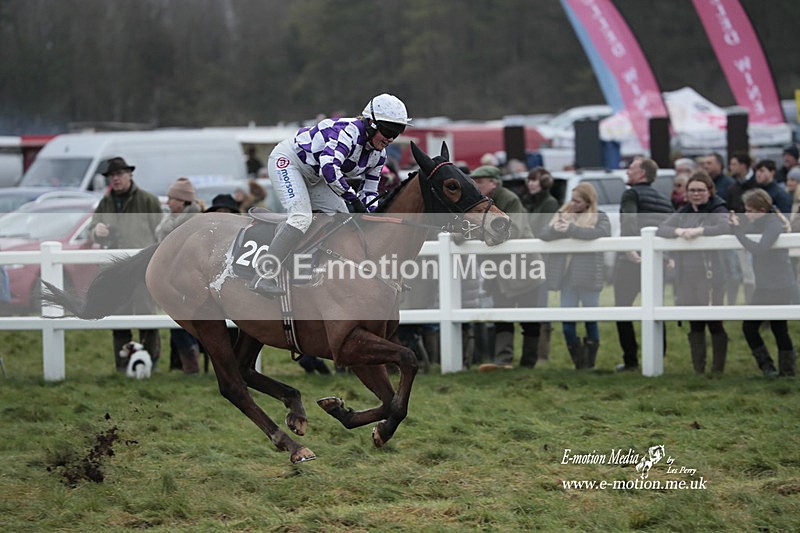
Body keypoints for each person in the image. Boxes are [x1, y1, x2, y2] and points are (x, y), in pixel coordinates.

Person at [247, 93, 411, 298]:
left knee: (342, 218)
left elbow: (369, 192)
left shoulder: (379, 155)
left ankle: (316, 267)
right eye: (387, 131)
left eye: (397, 132)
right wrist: (353, 199)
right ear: (371, 123)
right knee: (301, 218)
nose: (390, 138)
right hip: (289, 163)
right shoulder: (348, 133)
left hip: (315, 175)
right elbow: (330, 170)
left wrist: (373, 212)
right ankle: (263, 275)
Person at [89, 157, 164, 373]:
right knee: (118, 319)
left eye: (120, 174)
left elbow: (160, 233)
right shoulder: (105, 203)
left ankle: (150, 365)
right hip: (115, 273)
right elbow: (92, 230)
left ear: (130, 175)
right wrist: (97, 232)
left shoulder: (147, 201)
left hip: (142, 270)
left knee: (146, 318)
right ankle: (123, 367)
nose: (116, 179)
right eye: (112, 176)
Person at [471, 165, 544, 370]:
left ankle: (528, 362)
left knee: (529, 318)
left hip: (523, 267)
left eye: (480, 181)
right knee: (502, 315)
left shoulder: (510, 199)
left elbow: (516, 230)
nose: (476, 184)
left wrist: (480, 233)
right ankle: (504, 360)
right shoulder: (479, 202)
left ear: (494, 183)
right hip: (499, 271)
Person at [656, 171, 729, 375]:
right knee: (694, 322)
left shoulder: (718, 208)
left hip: (710, 274)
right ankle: (698, 369)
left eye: (700, 190)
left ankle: (717, 369)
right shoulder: (684, 211)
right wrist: (678, 232)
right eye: (692, 190)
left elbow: (724, 226)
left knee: (714, 321)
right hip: (686, 274)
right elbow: (662, 228)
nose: (696, 194)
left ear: (709, 191)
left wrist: (701, 231)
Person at [539, 183, 610, 369]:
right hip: (566, 279)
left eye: (577, 200)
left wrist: (570, 230)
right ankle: (579, 361)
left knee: (590, 321)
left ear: (588, 202)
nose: (573, 203)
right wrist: (557, 229)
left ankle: (589, 362)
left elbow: (601, 233)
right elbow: (544, 234)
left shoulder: (600, 217)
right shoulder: (563, 214)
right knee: (567, 323)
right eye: (572, 199)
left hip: (589, 277)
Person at [614, 157, 674, 371]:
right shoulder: (664, 199)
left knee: (622, 309)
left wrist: (630, 249)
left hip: (633, 260)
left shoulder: (631, 194)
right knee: (656, 309)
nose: (627, 171)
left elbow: (629, 221)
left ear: (642, 174)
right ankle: (658, 354)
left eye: (631, 168)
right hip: (658, 260)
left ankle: (631, 360)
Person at [730, 189, 797, 377]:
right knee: (750, 327)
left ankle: (786, 371)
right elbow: (745, 235)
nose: (746, 213)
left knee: (778, 328)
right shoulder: (761, 222)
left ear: (761, 209)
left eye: (749, 210)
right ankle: (769, 368)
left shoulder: (773, 224)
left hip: (779, 285)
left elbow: (759, 249)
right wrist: (735, 227)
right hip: (766, 285)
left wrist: (737, 232)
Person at [155, 177, 203, 374]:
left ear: (183, 201)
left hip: (189, 280)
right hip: (171, 279)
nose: (168, 203)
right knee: (175, 319)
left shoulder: (193, 223)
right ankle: (185, 360)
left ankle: (190, 360)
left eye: (172, 199)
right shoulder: (171, 221)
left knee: (184, 318)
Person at [520, 166, 559, 361]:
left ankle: (543, 354)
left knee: (541, 304)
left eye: (534, 180)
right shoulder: (527, 202)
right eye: (529, 180)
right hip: (526, 260)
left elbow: (539, 230)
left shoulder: (550, 203)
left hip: (542, 261)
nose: (531, 183)